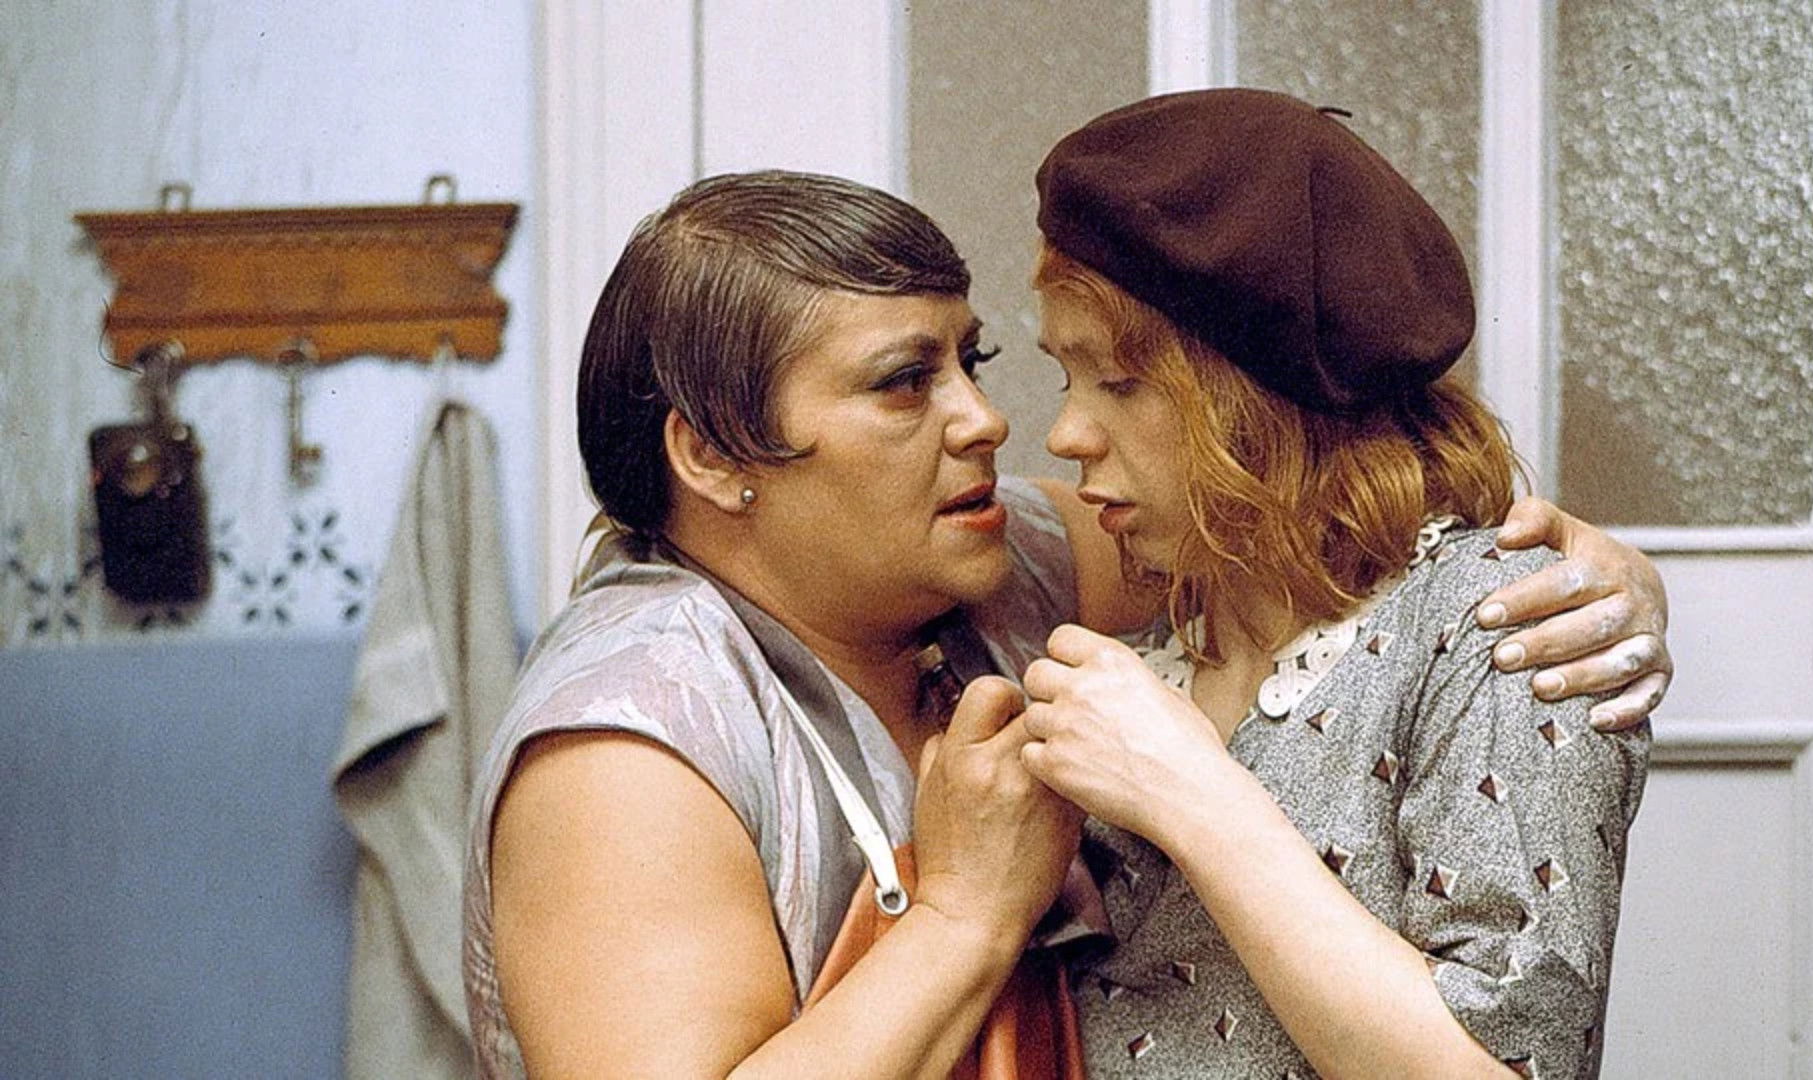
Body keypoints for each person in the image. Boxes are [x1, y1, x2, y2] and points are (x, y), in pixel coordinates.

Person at [460, 170, 1669, 1078]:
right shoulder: (623, 752)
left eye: (972, 360)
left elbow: (1292, 514)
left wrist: (1589, 570)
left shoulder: (998, 561)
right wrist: (965, 915)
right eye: (904, 382)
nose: (986, 420)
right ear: (716, 455)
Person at [1017, 88, 1650, 1078]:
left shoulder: (1499, 628)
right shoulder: (1148, 632)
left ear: (1258, 396)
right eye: (1067, 376)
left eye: (1121, 382)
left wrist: (1190, 794)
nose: (1065, 434)